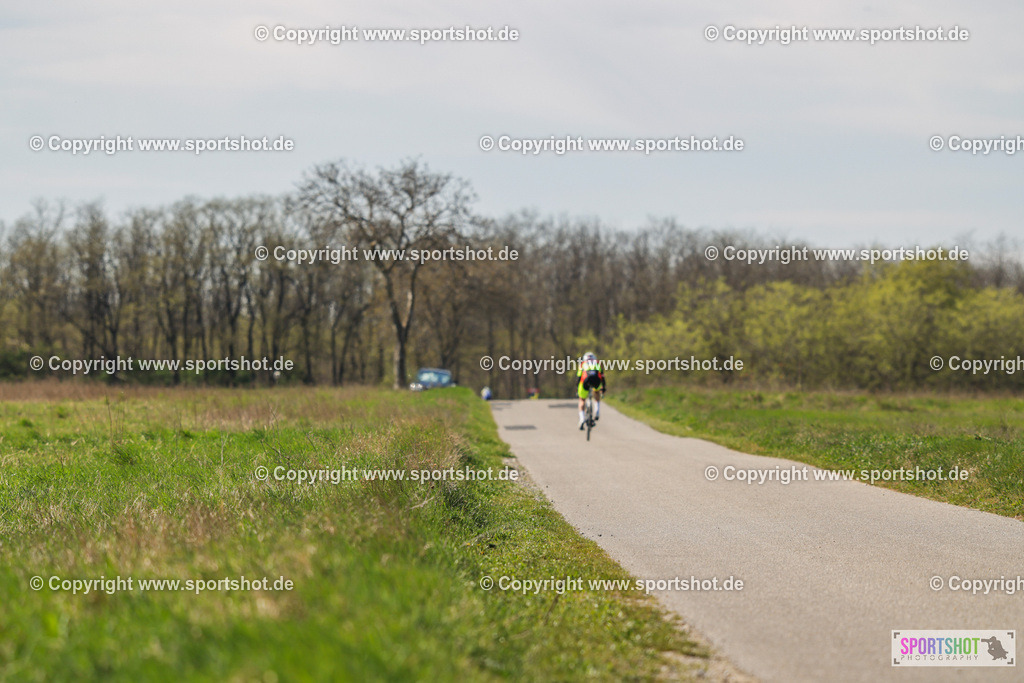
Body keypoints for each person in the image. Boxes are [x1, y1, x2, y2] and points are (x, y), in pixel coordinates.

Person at [575, 351, 606, 430]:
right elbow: (602, 376)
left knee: (582, 400)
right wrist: (603, 387)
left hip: (585, 381)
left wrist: (577, 388)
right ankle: (597, 411)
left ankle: (582, 419)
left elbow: (579, 377)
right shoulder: (597, 363)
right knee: (596, 392)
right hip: (596, 380)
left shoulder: (582, 364)